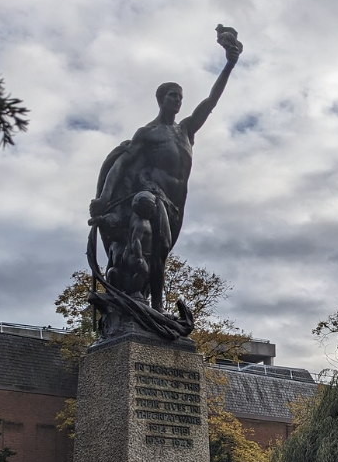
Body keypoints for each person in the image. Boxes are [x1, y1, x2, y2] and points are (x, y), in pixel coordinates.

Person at [88, 26, 241, 327]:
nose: (178, 101)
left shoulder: (185, 131)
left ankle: (152, 304)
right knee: (155, 247)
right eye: (173, 96)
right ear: (161, 99)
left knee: (162, 254)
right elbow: (121, 164)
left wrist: (229, 64)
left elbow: (211, 101)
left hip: (176, 204)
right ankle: (154, 305)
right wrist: (105, 197)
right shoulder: (148, 133)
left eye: (180, 97)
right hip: (152, 194)